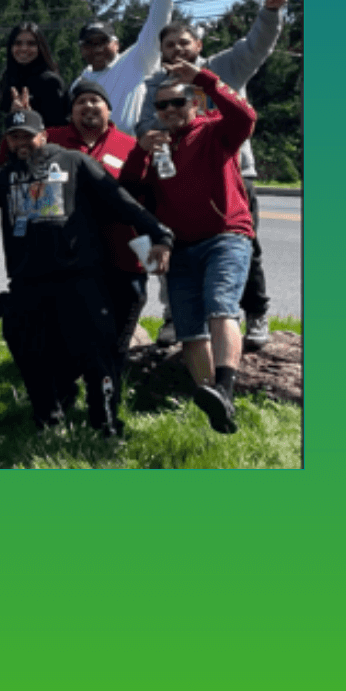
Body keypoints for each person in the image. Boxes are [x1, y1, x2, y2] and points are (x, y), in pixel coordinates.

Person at [0, 108, 172, 436]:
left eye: (27, 136)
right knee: (28, 349)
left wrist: (159, 234)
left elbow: (119, 200)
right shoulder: (6, 175)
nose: (21, 143)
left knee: (96, 355)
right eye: (14, 137)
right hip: (28, 283)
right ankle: (48, 418)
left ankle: (105, 422)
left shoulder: (74, 162)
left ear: (43, 136)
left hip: (79, 279)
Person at [135, 0, 289, 350]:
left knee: (244, 246)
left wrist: (270, 13)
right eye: (169, 45)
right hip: (175, 178)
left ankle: (256, 312)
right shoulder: (155, 85)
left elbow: (257, 45)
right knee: (173, 247)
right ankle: (174, 316)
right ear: (162, 51)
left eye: (183, 43)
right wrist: (153, 134)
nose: (177, 50)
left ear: (198, 46)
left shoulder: (223, 67)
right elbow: (143, 125)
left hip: (232, 174)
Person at [119, 60, 257, 435]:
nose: (169, 110)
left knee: (220, 306)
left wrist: (203, 79)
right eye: (162, 105)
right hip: (179, 247)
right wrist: (140, 152)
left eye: (177, 102)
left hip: (225, 236)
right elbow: (130, 192)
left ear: (194, 103)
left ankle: (225, 389)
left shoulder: (215, 131)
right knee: (189, 331)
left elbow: (246, 116)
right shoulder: (157, 147)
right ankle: (215, 405)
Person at [42, 78, 150, 417]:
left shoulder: (130, 146)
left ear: (109, 109)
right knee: (69, 337)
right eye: (80, 102)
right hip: (73, 263)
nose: (88, 106)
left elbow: (149, 197)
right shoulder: (52, 140)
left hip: (124, 261)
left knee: (115, 342)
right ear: (71, 112)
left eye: (95, 100)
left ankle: (106, 411)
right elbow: (14, 157)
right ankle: (62, 401)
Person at [75, 0, 177, 123]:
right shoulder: (80, 83)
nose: (97, 49)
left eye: (103, 42)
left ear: (117, 44)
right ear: (82, 50)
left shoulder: (135, 61)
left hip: (136, 141)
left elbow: (156, 25)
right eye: (89, 43)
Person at [0, 21, 69, 132]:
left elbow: (57, 128)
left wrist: (29, 118)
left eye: (31, 44)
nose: (24, 48)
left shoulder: (49, 82)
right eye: (18, 43)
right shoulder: (7, 79)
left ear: (40, 48)